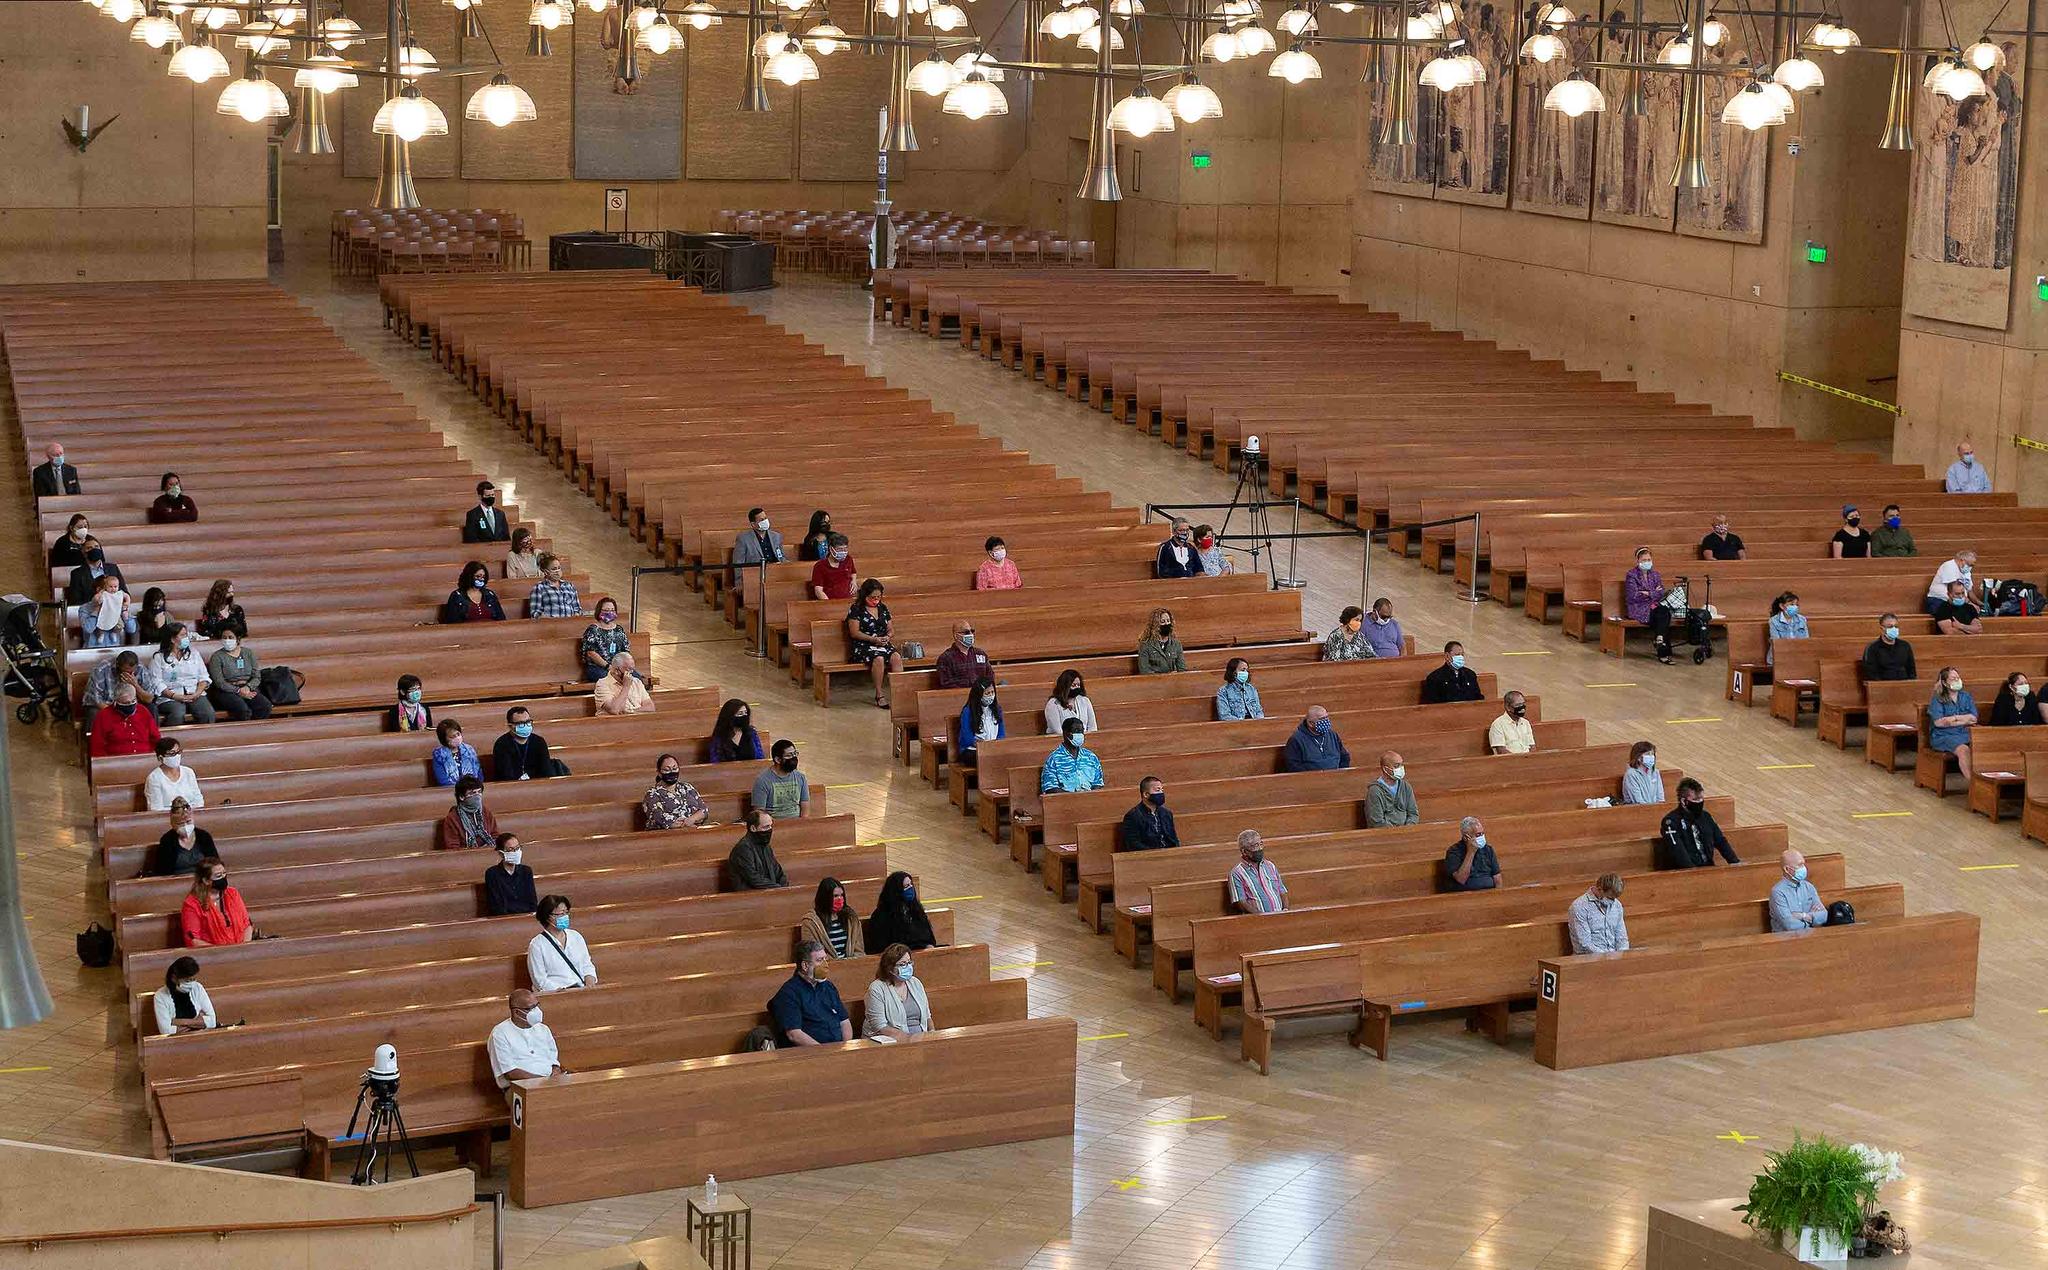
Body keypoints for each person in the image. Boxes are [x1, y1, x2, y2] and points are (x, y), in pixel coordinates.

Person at [769, 941, 852, 1046]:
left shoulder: (828, 987)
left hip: (838, 1049)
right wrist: (825, 1053)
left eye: (825, 959)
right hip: (812, 1054)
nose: (825, 965)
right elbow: (794, 1034)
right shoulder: (789, 993)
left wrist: (846, 1047)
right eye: (819, 960)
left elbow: (844, 1021)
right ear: (805, 965)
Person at [488, 990, 564, 1099]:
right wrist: (543, 1082)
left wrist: (556, 1073)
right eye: (530, 1008)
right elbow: (510, 1073)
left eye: (537, 1005)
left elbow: (553, 1061)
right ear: (517, 1012)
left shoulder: (543, 1029)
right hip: (519, 1088)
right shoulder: (500, 1033)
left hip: (550, 1083)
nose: (536, 1011)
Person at [846, 580, 906, 708]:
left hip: (882, 643)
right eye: (873, 597)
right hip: (864, 645)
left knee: (896, 657)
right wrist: (873, 640)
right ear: (865, 596)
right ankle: (879, 694)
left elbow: (890, 629)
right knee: (878, 658)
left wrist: (888, 636)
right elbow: (854, 632)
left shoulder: (883, 608)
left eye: (879, 597)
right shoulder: (856, 609)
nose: (876, 600)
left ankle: (899, 694)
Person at [1658, 778, 1739, 867]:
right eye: (1695, 800)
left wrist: (1735, 862)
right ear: (1683, 801)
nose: (1699, 803)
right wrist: (1695, 875)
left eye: (1701, 799)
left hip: (1709, 868)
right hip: (1685, 873)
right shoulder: (1671, 822)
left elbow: (1720, 841)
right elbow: (1678, 852)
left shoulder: (1705, 817)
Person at [527, 895, 598, 992]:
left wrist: (590, 981)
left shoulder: (576, 936)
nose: (565, 917)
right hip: (555, 994)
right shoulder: (537, 944)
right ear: (548, 917)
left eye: (566, 912)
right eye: (560, 914)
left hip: (581, 989)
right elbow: (539, 980)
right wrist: (560, 991)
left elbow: (587, 964)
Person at [863, 943, 933, 1039]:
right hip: (892, 1041)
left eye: (909, 962)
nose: (908, 967)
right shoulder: (877, 988)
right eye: (902, 964)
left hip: (921, 1038)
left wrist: (932, 1034)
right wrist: (909, 1040)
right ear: (890, 968)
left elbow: (927, 1016)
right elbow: (880, 1026)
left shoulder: (915, 983)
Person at [148, 622, 214, 724]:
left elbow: (204, 677)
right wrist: (175, 696)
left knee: (207, 713)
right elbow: (156, 682)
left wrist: (197, 693)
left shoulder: (194, 654)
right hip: (170, 697)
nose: (186, 638)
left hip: (194, 693)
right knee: (177, 713)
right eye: (183, 635)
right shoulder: (158, 658)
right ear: (172, 639)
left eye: (186, 634)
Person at [1623, 547, 1677, 665]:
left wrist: (1647, 592)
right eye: (1644, 560)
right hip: (1638, 607)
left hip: (1654, 606)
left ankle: (1659, 639)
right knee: (1663, 616)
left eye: (1649, 559)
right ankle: (1663, 651)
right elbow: (1633, 595)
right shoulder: (1631, 575)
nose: (1647, 562)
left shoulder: (1655, 574)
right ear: (1638, 561)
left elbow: (1662, 592)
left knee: (1664, 611)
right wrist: (1653, 592)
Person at [180, 860, 252, 947]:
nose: (223, 877)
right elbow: (194, 940)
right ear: (206, 881)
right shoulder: (192, 904)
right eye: (218, 875)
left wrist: (244, 947)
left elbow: (247, 924)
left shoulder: (232, 893)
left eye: (224, 873)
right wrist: (221, 952)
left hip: (242, 949)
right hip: (212, 955)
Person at [205, 628, 271, 720]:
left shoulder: (248, 653)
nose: (227, 640)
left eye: (230, 637)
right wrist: (238, 691)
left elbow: (256, 676)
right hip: (226, 691)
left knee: (264, 706)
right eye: (224, 637)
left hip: (247, 688)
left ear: (238, 639)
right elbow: (219, 682)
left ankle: (256, 732)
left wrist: (247, 687)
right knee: (242, 709)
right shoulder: (217, 657)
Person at [84, 651, 160, 731]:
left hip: (130, 704)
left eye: (132, 672)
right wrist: (118, 712)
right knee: (94, 713)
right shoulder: (101, 669)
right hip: (106, 704)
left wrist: (136, 686)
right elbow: (97, 700)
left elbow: (149, 699)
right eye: (126, 672)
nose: (129, 675)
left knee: (152, 708)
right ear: (117, 666)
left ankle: (153, 739)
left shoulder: (140, 668)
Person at [1927, 667, 1976, 780]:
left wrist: (1953, 718)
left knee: (1982, 745)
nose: (1957, 680)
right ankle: (1973, 783)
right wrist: (1964, 719)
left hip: (1964, 732)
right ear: (1944, 682)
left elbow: (1973, 719)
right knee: (1963, 749)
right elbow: (1939, 723)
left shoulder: (1966, 696)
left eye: (1958, 678)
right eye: (1953, 678)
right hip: (1943, 736)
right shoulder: (1938, 698)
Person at [867, 871, 937, 949]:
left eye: (911, 885)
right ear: (896, 890)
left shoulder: (916, 910)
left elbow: (929, 937)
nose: (910, 888)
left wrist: (928, 945)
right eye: (906, 886)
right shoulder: (882, 915)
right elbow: (885, 946)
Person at [88, 682, 161, 757]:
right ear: (116, 701)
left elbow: (155, 737)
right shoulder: (103, 716)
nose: (130, 705)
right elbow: (97, 745)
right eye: (125, 703)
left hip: (145, 758)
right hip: (116, 761)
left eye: (133, 701)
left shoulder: (143, 711)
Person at [801, 876, 866, 958]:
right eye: (835, 896)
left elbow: (859, 950)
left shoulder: (851, 918)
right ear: (825, 898)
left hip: (851, 965)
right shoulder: (810, 922)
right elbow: (812, 954)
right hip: (826, 966)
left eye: (842, 895)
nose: (840, 899)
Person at [151, 799, 218, 877]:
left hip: (204, 880)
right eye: (180, 823)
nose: (185, 826)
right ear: (172, 823)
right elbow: (162, 872)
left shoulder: (204, 836)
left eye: (188, 822)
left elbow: (215, 864)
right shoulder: (167, 840)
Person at [153, 956, 217, 1036]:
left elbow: (212, 1021)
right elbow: (166, 1031)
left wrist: (177, 1022)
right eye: (187, 980)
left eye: (193, 979)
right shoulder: (160, 996)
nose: (192, 983)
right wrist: (198, 1022)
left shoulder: (197, 988)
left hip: (199, 1036)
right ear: (174, 978)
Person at [1567, 874, 1630, 954]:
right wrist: (1606, 958)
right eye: (1610, 898)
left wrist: (1622, 956)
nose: (1613, 902)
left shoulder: (1616, 905)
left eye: (1615, 898)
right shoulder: (1579, 907)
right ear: (1600, 889)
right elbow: (1585, 943)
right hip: (1588, 959)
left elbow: (1622, 938)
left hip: (1613, 957)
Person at [1769, 849, 1829, 932]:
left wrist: (1803, 916)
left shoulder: (1808, 887)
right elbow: (1790, 925)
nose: (1804, 868)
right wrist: (1812, 919)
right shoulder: (1778, 892)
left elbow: (1824, 915)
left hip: (1810, 936)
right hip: (1785, 940)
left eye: (1803, 864)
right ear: (1787, 869)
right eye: (1800, 865)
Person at [1228, 830, 1287, 913]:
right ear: (1244, 852)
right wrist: (1262, 917)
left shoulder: (1270, 866)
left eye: (1260, 844)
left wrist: (1285, 910)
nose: (1260, 848)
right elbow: (1241, 903)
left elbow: (1282, 891)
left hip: (1280, 916)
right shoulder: (1237, 873)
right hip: (1257, 921)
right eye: (1255, 846)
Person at [645, 754, 710, 830]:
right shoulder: (652, 794)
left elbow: (703, 809)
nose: (671, 772)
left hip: (693, 830)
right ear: (659, 773)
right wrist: (686, 825)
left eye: (674, 768)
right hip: (668, 836)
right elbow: (658, 817)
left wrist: (692, 819)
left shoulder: (687, 787)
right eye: (667, 770)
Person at [727, 809, 788, 889]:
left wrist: (784, 888)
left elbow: (778, 872)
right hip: (750, 897)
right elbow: (754, 878)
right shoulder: (743, 849)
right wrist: (778, 889)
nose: (769, 830)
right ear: (753, 828)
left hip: (769, 892)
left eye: (770, 826)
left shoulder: (765, 846)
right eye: (766, 827)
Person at [1040, 718, 1105, 793]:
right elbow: (1050, 788)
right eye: (1076, 731)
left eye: (1081, 731)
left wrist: (1089, 797)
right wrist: (1073, 798)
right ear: (1066, 733)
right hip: (1064, 801)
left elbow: (1098, 783)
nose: (1080, 734)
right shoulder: (1054, 759)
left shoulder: (1091, 757)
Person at [493, 706, 555, 780]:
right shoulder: (501, 744)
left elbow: (546, 771)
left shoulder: (539, 741)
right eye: (521, 723)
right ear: (510, 726)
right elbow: (505, 774)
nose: (526, 725)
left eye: (528, 722)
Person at [752, 739, 811, 819]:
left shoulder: (800, 777)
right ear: (778, 760)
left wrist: (801, 825)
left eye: (795, 754)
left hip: (796, 823)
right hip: (773, 825)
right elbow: (759, 812)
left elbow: (805, 806)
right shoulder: (763, 780)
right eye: (789, 755)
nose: (793, 758)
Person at [437, 776, 499, 850]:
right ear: (461, 797)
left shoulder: (485, 812)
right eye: (473, 793)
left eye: (479, 792)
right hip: (466, 856)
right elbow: (452, 847)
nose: (477, 796)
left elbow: (495, 835)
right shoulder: (452, 818)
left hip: (488, 852)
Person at [1283, 705, 1351, 772]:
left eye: (1326, 717)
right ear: (1310, 723)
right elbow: (1293, 766)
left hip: (1335, 777)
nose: (1326, 721)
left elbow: (1344, 756)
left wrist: (1340, 774)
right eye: (1322, 719)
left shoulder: (1332, 735)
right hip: (1311, 780)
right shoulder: (1296, 739)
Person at [485, 832, 538, 916]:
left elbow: (533, 901)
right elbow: (496, 905)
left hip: (526, 916)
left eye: (517, 848)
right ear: (501, 853)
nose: (516, 852)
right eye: (511, 850)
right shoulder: (492, 873)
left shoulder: (526, 871)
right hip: (504, 919)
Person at [1119, 776, 1179, 851]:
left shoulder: (1166, 813)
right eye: (1158, 790)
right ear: (1146, 794)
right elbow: (1133, 844)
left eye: (1162, 790)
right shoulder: (1133, 816)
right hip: (1148, 857)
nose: (1161, 793)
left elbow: (1174, 838)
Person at [956, 677, 1005, 767]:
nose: (991, 696)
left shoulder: (997, 709)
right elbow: (967, 737)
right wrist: (982, 745)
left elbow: (1001, 732)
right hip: (972, 750)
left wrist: (996, 744)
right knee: (986, 759)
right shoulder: (968, 711)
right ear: (979, 695)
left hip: (993, 748)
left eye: (992, 692)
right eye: (987, 693)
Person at [144, 737, 202, 811]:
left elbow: (198, 800)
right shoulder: (154, 778)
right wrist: (178, 812)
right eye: (172, 753)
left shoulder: (188, 772)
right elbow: (156, 808)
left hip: (191, 815)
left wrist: (187, 811)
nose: (176, 756)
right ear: (161, 758)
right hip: (167, 819)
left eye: (178, 752)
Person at [579, 597, 631, 682]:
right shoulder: (593, 630)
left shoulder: (619, 629)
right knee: (614, 680)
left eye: (612, 610)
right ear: (599, 611)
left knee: (636, 679)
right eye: (606, 610)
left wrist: (622, 667)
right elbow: (591, 653)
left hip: (618, 667)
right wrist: (608, 667)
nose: (610, 612)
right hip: (598, 667)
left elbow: (625, 650)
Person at [64, 537, 127, 607]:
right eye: (89, 548)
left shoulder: (113, 568)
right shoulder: (77, 574)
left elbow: (124, 592)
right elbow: (75, 601)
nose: (94, 550)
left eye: (96, 547)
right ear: (84, 553)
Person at [1443, 817, 1500, 891]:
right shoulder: (1453, 852)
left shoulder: (1488, 850)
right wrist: (1471, 852)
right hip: (1466, 895)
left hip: (1489, 893)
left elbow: (1497, 877)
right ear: (1466, 837)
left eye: (1483, 833)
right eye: (1478, 834)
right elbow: (1461, 879)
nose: (1482, 837)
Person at [1365, 751, 1418, 827]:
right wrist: (1395, 832)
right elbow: (1376, 821)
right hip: (1385, 834)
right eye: (1396, 766)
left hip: (1406, 831)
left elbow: (1413, 813)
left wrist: (1408, 828)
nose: (1400, 768)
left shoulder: (1406, 786)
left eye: (1401, 765)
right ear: (1385, 769)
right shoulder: (1375, 791)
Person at [935, 619, 992, 688]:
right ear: (956, 636)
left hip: (981, 696)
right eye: (966, 632)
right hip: (960, 696)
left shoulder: (981, 654)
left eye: (972, 631)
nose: (971, 634)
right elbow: (946, 683)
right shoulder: (945, 658)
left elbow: (990, 676)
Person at [1861, 614, 1917, 681]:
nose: (1894, 629)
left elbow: (1911, 670)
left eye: (1896, 626)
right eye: (1890, 627)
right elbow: (1871, 673)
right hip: (1882, 686)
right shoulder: (1872, 648)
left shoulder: (1905, 646)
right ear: (1882, 628)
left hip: (1904, 684)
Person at [81, 573, 131, 648]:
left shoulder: (117, 603)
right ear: (99, 590)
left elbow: (131, 629)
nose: (113, 590)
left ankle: (113, 634)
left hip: (113, 648)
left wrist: (124, 610)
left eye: (115, 587)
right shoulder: (84, 608)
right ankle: (100, 635)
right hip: (93, 649)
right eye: (109, 587)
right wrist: (97, 610)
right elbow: (88, 629)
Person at [707, 698, 763, 763]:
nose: (744, 716)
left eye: (745, 713)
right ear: (730, 716)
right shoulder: (719, 737)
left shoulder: (751, 733)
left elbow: (760, 758)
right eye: (740, 714)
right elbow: (715, 762)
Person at [525, 554, 581, 619]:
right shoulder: (539, 587)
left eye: (559, 568)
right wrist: (547, 619)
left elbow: (577, 609)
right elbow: (535, 613)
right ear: (546, 572)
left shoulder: (569, 586)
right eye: (554, 569)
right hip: (550, 625)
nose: (557, 572)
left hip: (570, 624)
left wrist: (576, 616)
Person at [1043, 669, 1098, 735]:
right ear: (1065, 686)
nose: (1077, 687)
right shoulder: (1053, 704)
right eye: (1073, 685)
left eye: (1078, 685)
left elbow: (1093, 727)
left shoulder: (1085, 700)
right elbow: (1057, 731)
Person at [431, 720, 484, 787]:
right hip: (450, 790)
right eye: (452, 737)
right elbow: (442, 780)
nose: (457, 738)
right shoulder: (439, 755)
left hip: (473, 788)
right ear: (444, 739)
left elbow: (479, 773)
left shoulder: (469, 750)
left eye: (458, 734)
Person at [730, 507, 785, 571]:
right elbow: (738, 564)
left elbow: (781, 557)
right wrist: (740, 580)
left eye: (765, 518)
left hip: (776, 572)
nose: (765, 521)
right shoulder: (743, 539)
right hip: (755, 574)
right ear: (753, 524)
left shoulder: (776, 536)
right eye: (762, 520)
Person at [1136, 607, 1188, 674]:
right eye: (1163, 622)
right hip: (1155, 682)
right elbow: (1145, 671)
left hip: (1174, 682)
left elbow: (1182, 669)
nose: (1166, 624)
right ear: (1155, 625)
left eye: (1168, 621)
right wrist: (1165, 677)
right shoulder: (1146, 645)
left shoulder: (1176, 644)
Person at [1925, 549, 1977, 615]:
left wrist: (1979, 603)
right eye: (1970, 565)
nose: (1970, 567)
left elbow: (1969, 590)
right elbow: (1954, 589)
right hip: (1939, 600)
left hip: (1958, 601)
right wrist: (1970, 604)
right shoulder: (1949, 566)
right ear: (1962, 561)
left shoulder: (1966, 571)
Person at [809, 533, 857, 601]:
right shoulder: (819, 566)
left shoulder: (848, 559)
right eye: (840, 549)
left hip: (848, 601)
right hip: (830, 602)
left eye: (845, 549)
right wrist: (831, 605)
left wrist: (854, 581)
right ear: (831, 549)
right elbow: (818, 591)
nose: (843, 552)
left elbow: (853, 572)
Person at [1767, 593, 1807, 664]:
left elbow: (1806, 641)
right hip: (1779, 657)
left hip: (1798, 656)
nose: (1795, 607)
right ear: (1782, 606)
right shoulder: (1773, 621)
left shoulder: (1802, 619)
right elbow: (1776, 643)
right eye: (1792, 605)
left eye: (1796, 605)